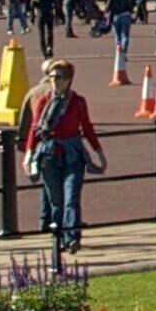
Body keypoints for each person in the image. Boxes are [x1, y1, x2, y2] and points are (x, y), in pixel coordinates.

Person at [23, 56, 104, 255]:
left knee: (71, 198)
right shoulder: (43, 101)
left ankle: (72, 238)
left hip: (73, 154)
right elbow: (35, 129)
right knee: (56, 202)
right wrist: (28, 155)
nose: (54, 81)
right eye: (51, 77)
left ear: (68, 80)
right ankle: (58, 237)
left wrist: (98, 152)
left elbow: (87, 128)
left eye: (58, 77)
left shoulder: (77, 102)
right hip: (49, 154)